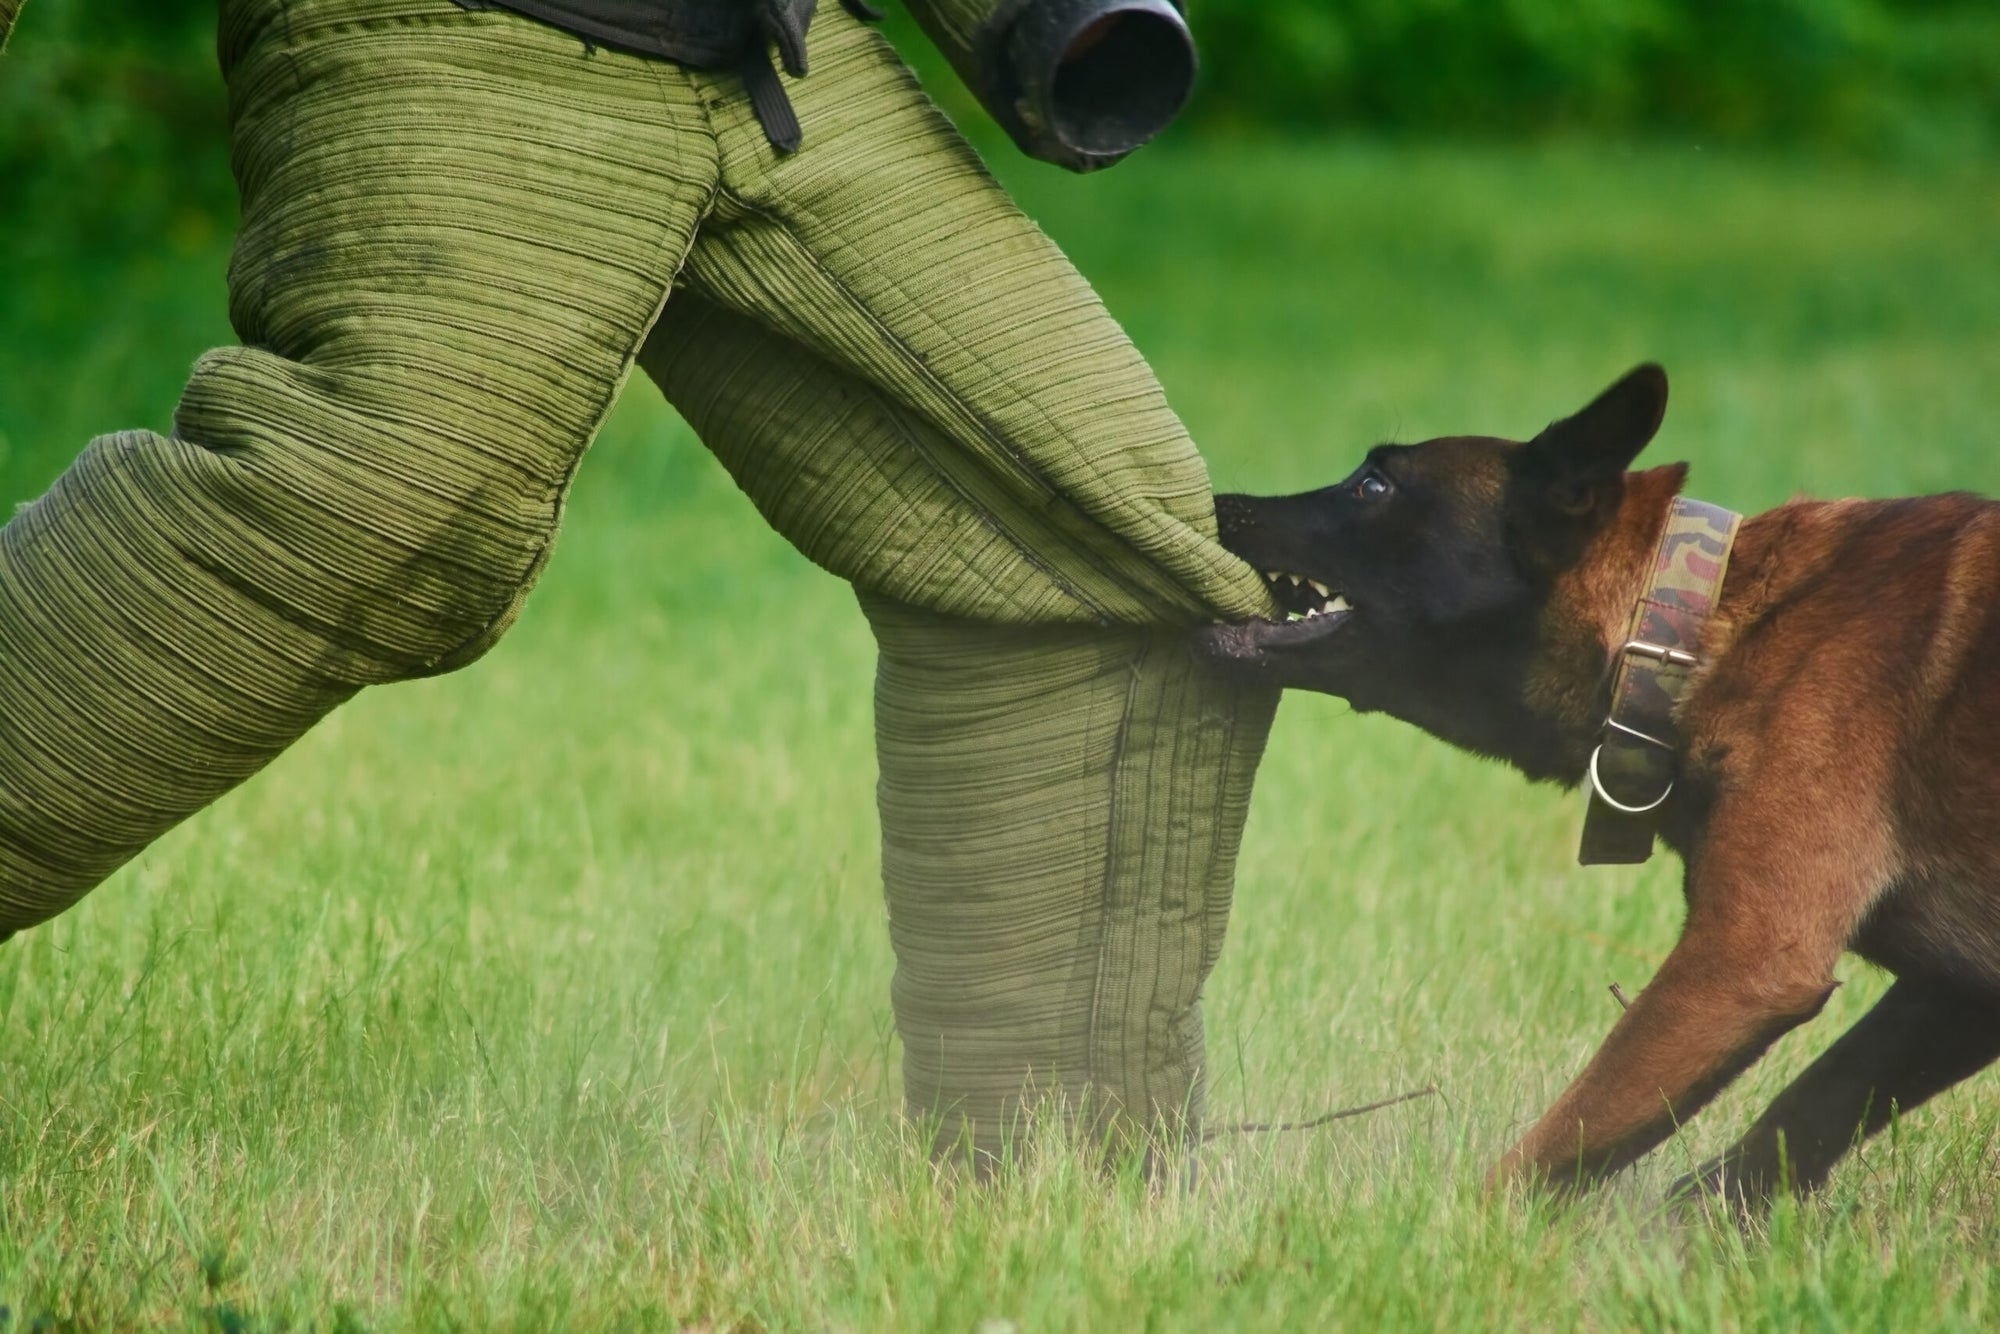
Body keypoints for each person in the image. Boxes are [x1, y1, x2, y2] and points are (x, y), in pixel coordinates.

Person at [0, 0, 1278, 1162]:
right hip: (456, 26)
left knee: (1099, 540)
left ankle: (1054, 1193)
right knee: (388, 499)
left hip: (774, 48)